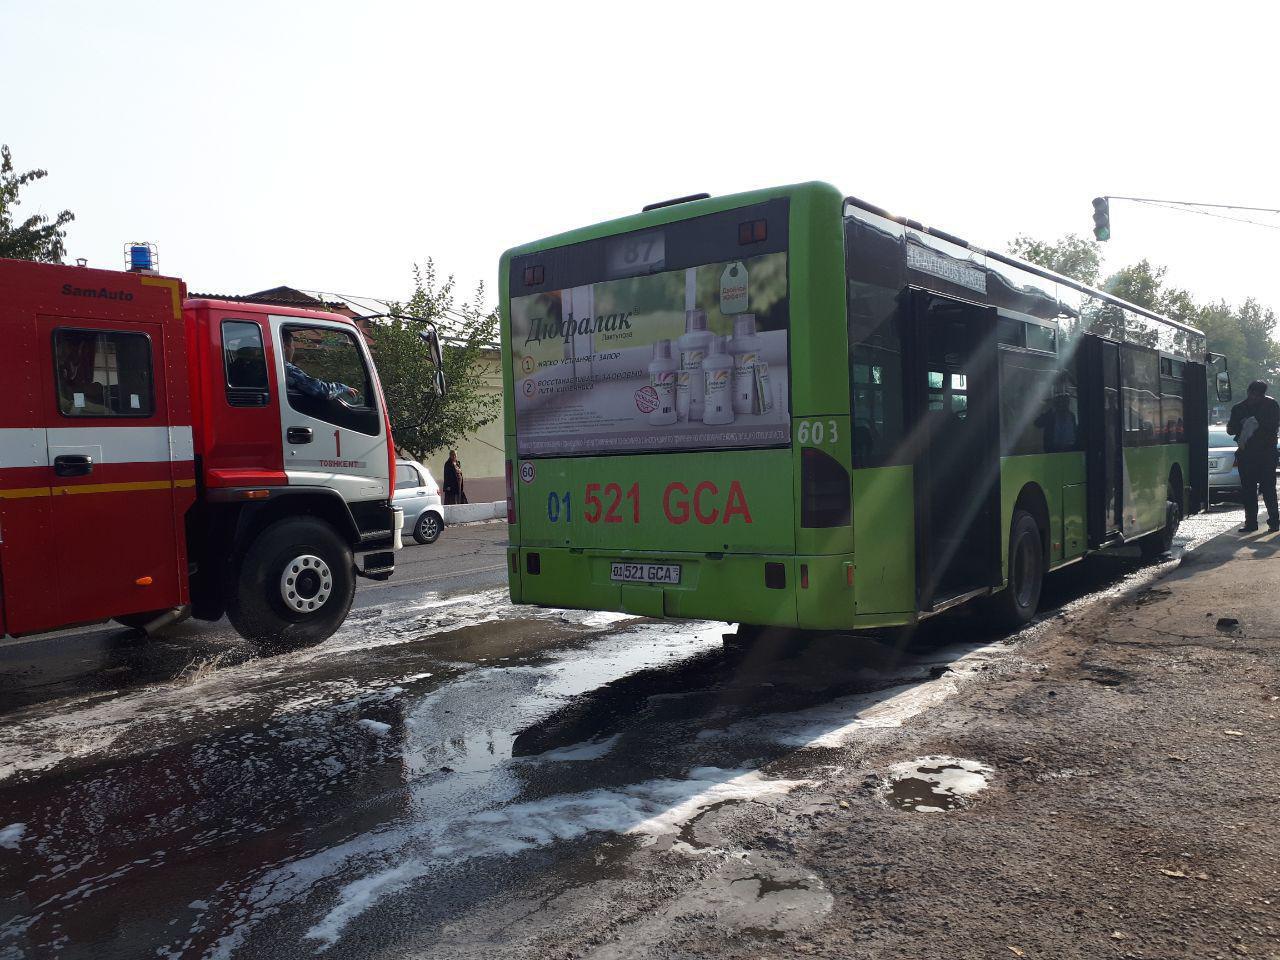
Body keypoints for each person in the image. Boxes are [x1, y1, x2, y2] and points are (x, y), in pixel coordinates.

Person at [1226, 379, 1279, 533]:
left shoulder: (1271, 405)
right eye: (1253, 394)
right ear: (1248, 392)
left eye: (1259, 395)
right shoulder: (1238, 408)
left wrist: (1256, 422)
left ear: (1263, 395)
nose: (1255, 398)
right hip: (1246, 454)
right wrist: (1242, 424)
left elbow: (1274, 425)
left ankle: (1274, 522)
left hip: (1266, 454)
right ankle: (1250, 522)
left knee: (1268, 489)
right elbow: (1230, 430)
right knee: (1248, 490)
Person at [282, 328, 360, 402]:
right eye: (293, 346)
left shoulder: (275, 369)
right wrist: (343, 388)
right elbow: (320, 390)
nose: (293, 349)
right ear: (285, 347)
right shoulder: (286, 369)